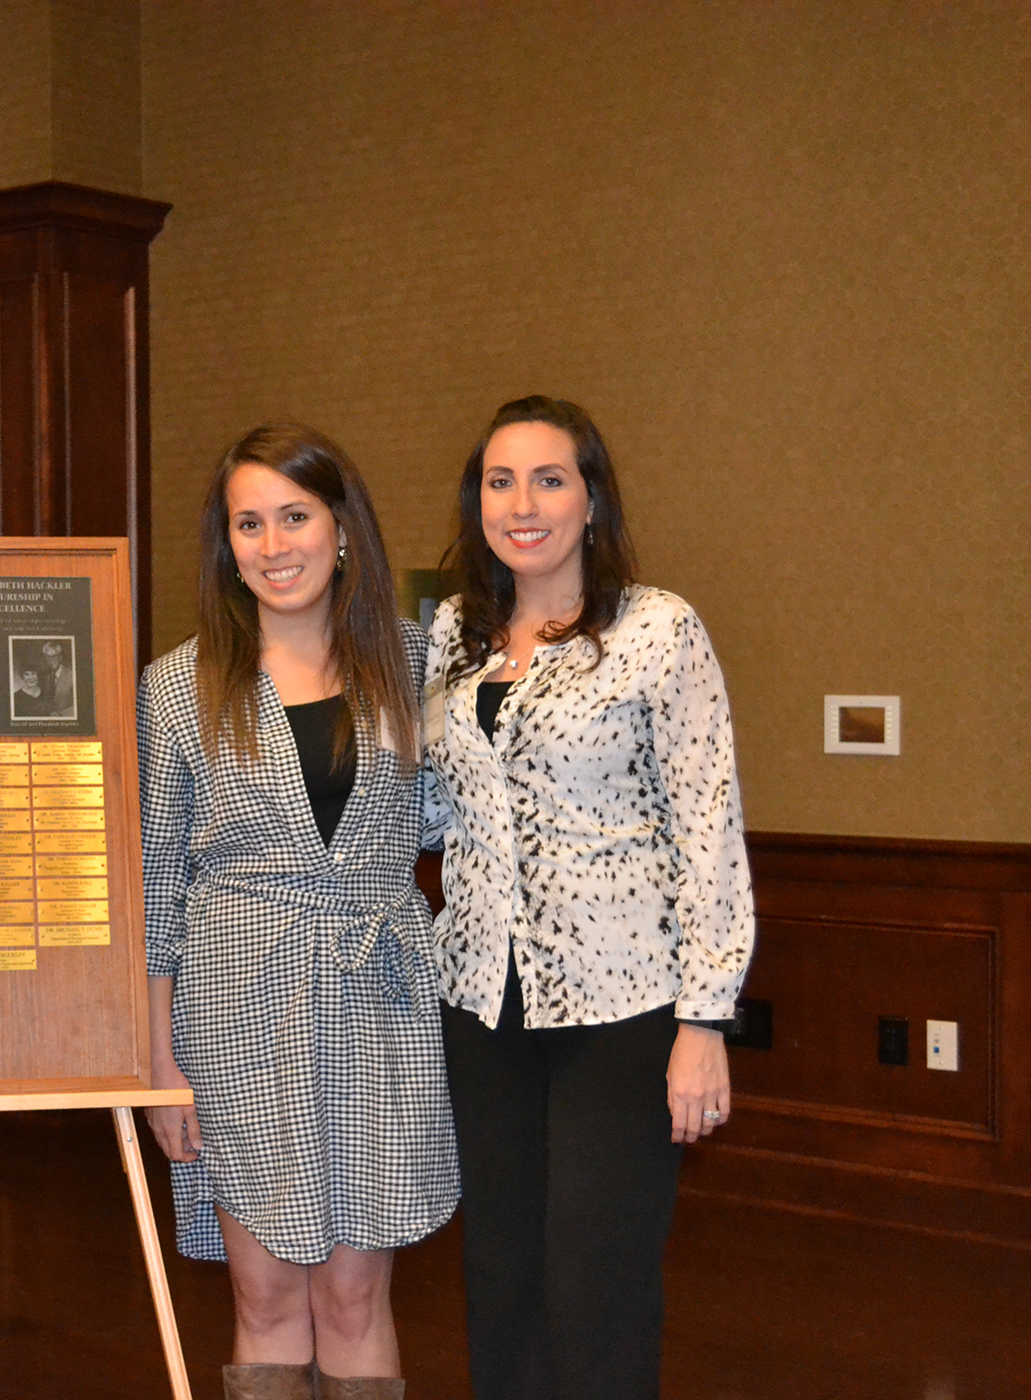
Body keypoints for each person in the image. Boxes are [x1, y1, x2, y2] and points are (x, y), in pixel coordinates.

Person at [424, 395, 755, 1400]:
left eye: (549, 478)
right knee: (502, 1277)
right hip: (482, 1002)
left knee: (595, 1283)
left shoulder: (659, 628)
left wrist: (706, 1018)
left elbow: (709, 827)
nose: (522, 503)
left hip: (625, 1008)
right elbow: (441, 811)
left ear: (592, 499)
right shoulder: (453, 631)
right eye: (499, 480)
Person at [140, 424, 458, 1400]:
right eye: (249, 522)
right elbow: (157, 888)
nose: (274, 544)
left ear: (342, 528)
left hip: (380, 991)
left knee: (357, 1298)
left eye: (295, 516)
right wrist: (157, 1064)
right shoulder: (179, 685)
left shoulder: (414, 662)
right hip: (234, 1007)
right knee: (266, 1291)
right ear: (224, 543)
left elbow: (466, 820)